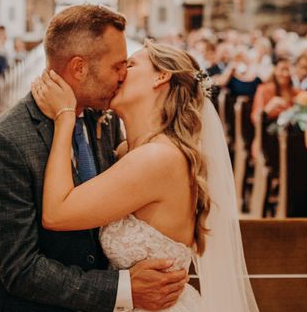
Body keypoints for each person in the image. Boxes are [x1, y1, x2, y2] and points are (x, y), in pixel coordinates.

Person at [0, 5, 192, 311]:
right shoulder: (3, 142)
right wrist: (122, 289)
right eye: (117, 66)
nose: (122, 76)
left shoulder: (105, 120)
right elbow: (20, 269)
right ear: (79, 68)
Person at [32, 40, 259, 311]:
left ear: (161, 76)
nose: (119, 74)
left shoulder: (156, 159)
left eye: (129, 65)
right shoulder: (130, 151)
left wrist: (64, 117)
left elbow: (57, 213)